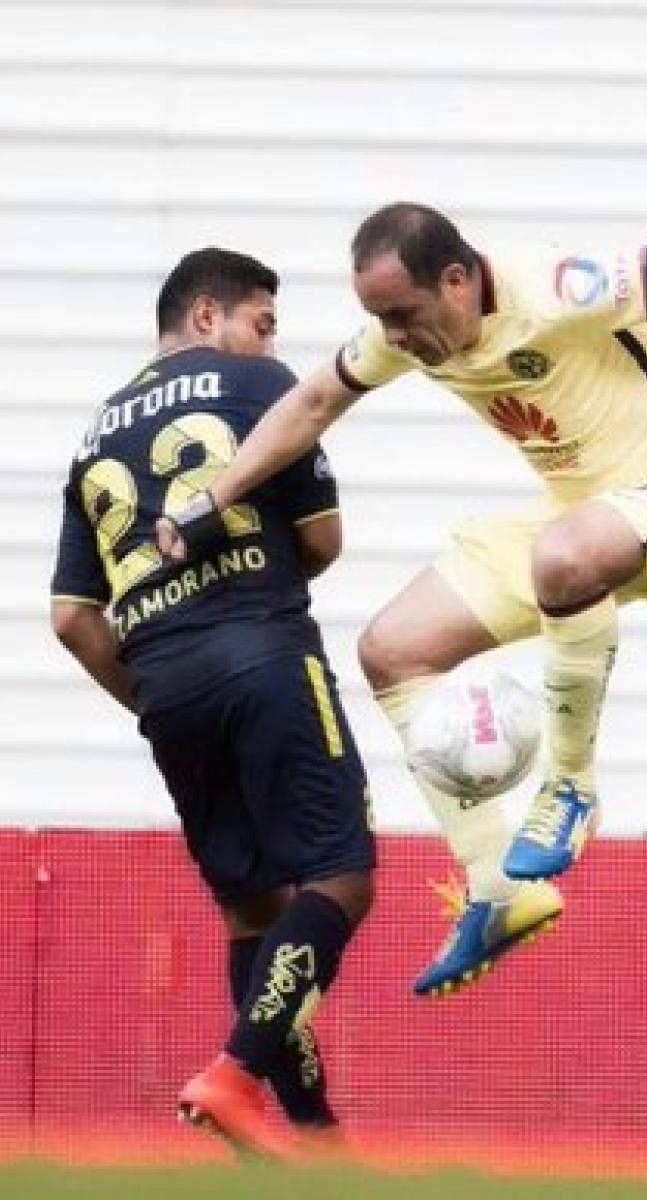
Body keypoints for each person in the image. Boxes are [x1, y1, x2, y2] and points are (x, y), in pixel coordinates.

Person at [157, 204, 647, 997]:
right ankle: (496, 888)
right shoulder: (400, 334)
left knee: (564, 557)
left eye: (405, 314)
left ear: (457, 280)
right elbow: (313, 402)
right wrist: (212, 499)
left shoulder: (556, 289)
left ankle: (571, 788)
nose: (395, 336)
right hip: (581, 516)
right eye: (380, 319)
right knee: (391, 649)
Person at [51, 248, 375, 1158]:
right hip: (265, 656)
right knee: (342, 876)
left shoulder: (93, 437)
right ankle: (234, 1077)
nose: (270, 341)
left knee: (252, 910)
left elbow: (72, 618)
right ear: (206, 315)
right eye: (262, 321)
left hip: (167, 689)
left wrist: (151, 698)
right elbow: (323, 539)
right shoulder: (258, 384)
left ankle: (314, 1138)